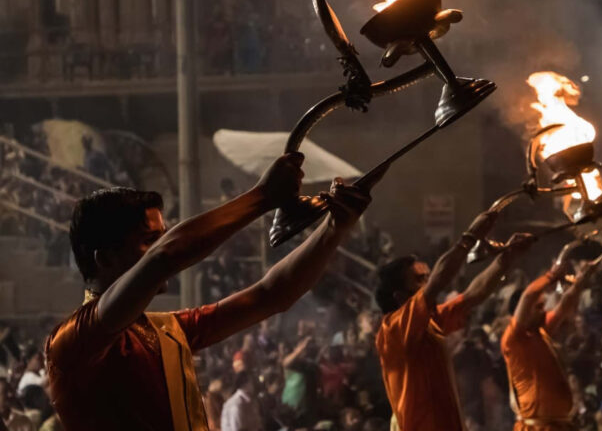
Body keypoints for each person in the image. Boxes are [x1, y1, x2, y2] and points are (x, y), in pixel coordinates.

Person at [46, 154, 371, 431]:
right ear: (104, 259)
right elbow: (165, 258)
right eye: (149, 239)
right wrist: (260, 198)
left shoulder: (167, 330)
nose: (161, 245)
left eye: (163, 236)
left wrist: (334, 228)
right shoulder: (73, 343)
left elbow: (273, 294)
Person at [374, 209, 534, 431]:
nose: (429, 283)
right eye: (420, 280)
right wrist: (470, 237)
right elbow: (440, 280)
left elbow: (471, 296)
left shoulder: (430, 319)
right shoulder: (394, 329)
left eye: (428, 278)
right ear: (400, 296)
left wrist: (507, 258)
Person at [502, 245, 598, 431]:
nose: (544, 311)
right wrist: (550, 275)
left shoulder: (541, 332)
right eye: (538, 308)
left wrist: (581, 280)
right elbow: (528, 296)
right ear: (521, 314)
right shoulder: (514, 339)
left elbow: (564, 306)